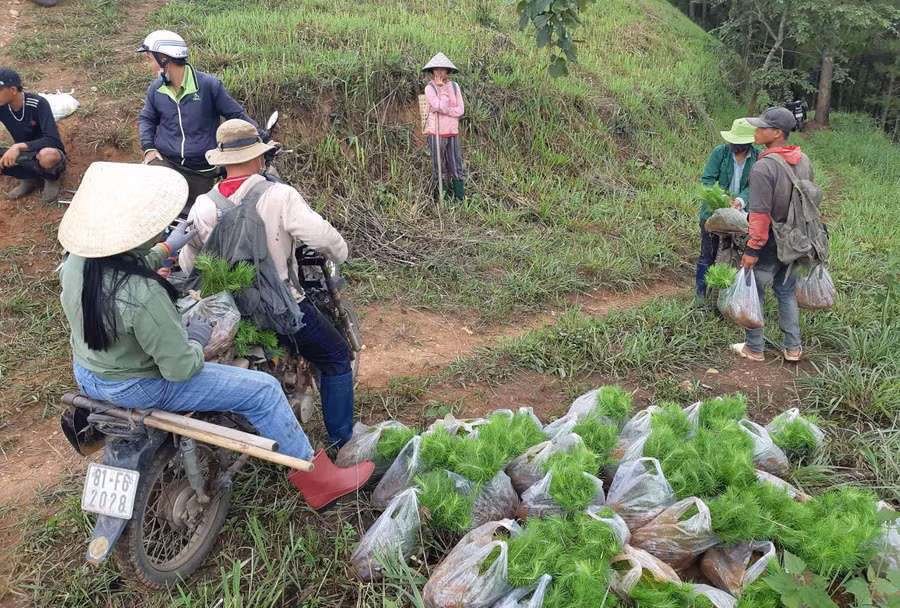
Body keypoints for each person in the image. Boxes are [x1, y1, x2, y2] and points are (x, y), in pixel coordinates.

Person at [58, 161, 373, 511]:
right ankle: (320, 482)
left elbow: (127, 267)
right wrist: (196, 338)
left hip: (90, 376)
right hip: (140, 383)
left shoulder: (78, 264)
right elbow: (179, 368)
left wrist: (165, 250)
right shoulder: (145, 294)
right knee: (265, 391)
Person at [179, 119, 357, 449]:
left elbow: (190, 264)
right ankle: (342, 442)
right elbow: (320, 236)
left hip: (226, 313)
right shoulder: (279, 195)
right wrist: (340, 252)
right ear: (259, 158)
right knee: (335, 355)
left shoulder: (203, 205)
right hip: (280, 306)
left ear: (223, 161)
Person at [136, 30, 269, 215]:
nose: (148, 65)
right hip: (166, 162)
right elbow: (147, 119)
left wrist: (262, 140)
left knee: (197, 221)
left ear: (164, 59)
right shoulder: (156, 89)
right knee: (154, 211)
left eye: (150, 59)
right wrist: (149, 148)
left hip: (202, 168)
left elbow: (236, 114)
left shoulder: (209, 86)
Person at [732, 107, 813, 363]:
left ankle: (754, 348)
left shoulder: (763, 167)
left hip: (770, 241)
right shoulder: (804, 161)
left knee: (755, 291)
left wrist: (752, 249)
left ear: (777, 133)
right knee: (787, 292)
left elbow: (760, 213)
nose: (756, 131)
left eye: (762, 127)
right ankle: (793, 348)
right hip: (798, 239)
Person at [696, 118, 759, 301]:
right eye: (734, 142)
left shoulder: (758, 157)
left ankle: (733, 296)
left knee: (741, 253)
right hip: (714, 212)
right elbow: (708, 181)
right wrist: (723, 200)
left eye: (741, 143)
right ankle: (701, 296)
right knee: (708, 254)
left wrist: (739, 201)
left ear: (749, 142)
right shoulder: (720, 153)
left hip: (743, 214)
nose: (736, 146)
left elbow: (755, 185)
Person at [0, 67, 66, 203]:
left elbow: (52, 140)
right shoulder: (2, 107)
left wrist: (18, 147)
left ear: (13, 90)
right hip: (25, 155)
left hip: (46, 151)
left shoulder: (38, 104)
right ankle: (29, 179)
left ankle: (51, 178)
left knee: (48, 155)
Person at [423, 53, 465, 201]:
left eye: (443, 69)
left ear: (448, 71)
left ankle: (460, 199)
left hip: (452, 132)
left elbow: (460, 110)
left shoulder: (454, 86)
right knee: (439, 166)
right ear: (433, 71)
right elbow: (439, 105)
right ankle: (444, 199)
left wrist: (444, 110)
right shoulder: (430, 88)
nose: (440, 72)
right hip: (436, 133)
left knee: (455, 165)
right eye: (437, 69)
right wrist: (442, 92)